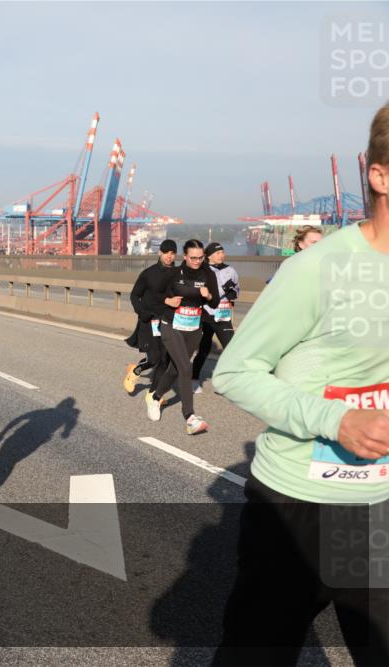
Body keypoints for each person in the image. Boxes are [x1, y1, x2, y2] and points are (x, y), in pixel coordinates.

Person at [212, 102, 389, 666]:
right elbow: (235, 372)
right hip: (296, 515)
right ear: (380, 175)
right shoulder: (317, 268)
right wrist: (336, 420)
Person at [146, 239, 219, 435]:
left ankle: (155, 397)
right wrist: (167, 300)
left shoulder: (208, 274)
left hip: (194, 327)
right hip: (171, 325)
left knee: (175, 368)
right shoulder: (173, 274)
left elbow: (215, 303)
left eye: (200, 257)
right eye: (193, 258)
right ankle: (190, 417)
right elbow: (152, 295)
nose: (197, 261)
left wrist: (209, 296)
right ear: (185, 257)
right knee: (186, 368)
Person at [124, 239, 177, 394]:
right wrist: (142, 312)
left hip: (169, 320)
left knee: (165, 359)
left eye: (172, 253)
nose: (168, 256)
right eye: (166, 252)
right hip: (150, 320)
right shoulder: (148, 273)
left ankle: (153, 395)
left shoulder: (178, 273)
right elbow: (135, 295)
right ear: (160, 252)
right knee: (154, 359)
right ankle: (135, 372)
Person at [190, 242, 239, 393]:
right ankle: (194, 379)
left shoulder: (231, 270)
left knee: (231, 349)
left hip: (223, 314)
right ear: (209, 256)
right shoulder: (203, 270)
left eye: (222, 252)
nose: (221, 255)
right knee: (204, 349)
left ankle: (223, 382)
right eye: (218, 253)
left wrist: (233, 292)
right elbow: (201, 290)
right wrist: (224, 288)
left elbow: (236, 291)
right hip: (207, 314)